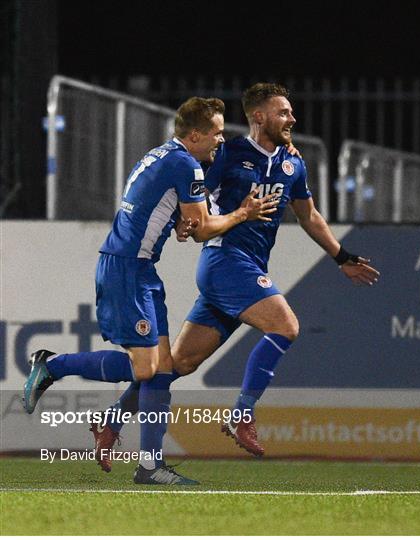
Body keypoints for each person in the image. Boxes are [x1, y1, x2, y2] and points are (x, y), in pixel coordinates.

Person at [91, 82, 380, 469]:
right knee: (285, 326)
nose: (292, 118)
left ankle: (109, 420)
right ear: (258, 116)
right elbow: (190, 187)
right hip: (225, 259)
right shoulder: (229, 153)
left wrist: (341, 256)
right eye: (283, 112)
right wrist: (186, 222)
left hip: (246, 268)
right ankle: (242, 413)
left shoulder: (294, 163)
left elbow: (308, 215)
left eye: (291, 112)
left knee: (178, 363)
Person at [22, 96, 278, 485]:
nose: (220, 142)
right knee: (150, 369)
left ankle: (150, 466)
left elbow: (170, 212)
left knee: (163, 371)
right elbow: (205, 229)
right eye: (216, 134)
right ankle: (52, 365)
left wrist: (182, 221)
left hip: (141, 270)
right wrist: (244, 212)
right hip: (126, 270)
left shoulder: (162, 155)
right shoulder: (187, 165)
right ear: (194, 135)